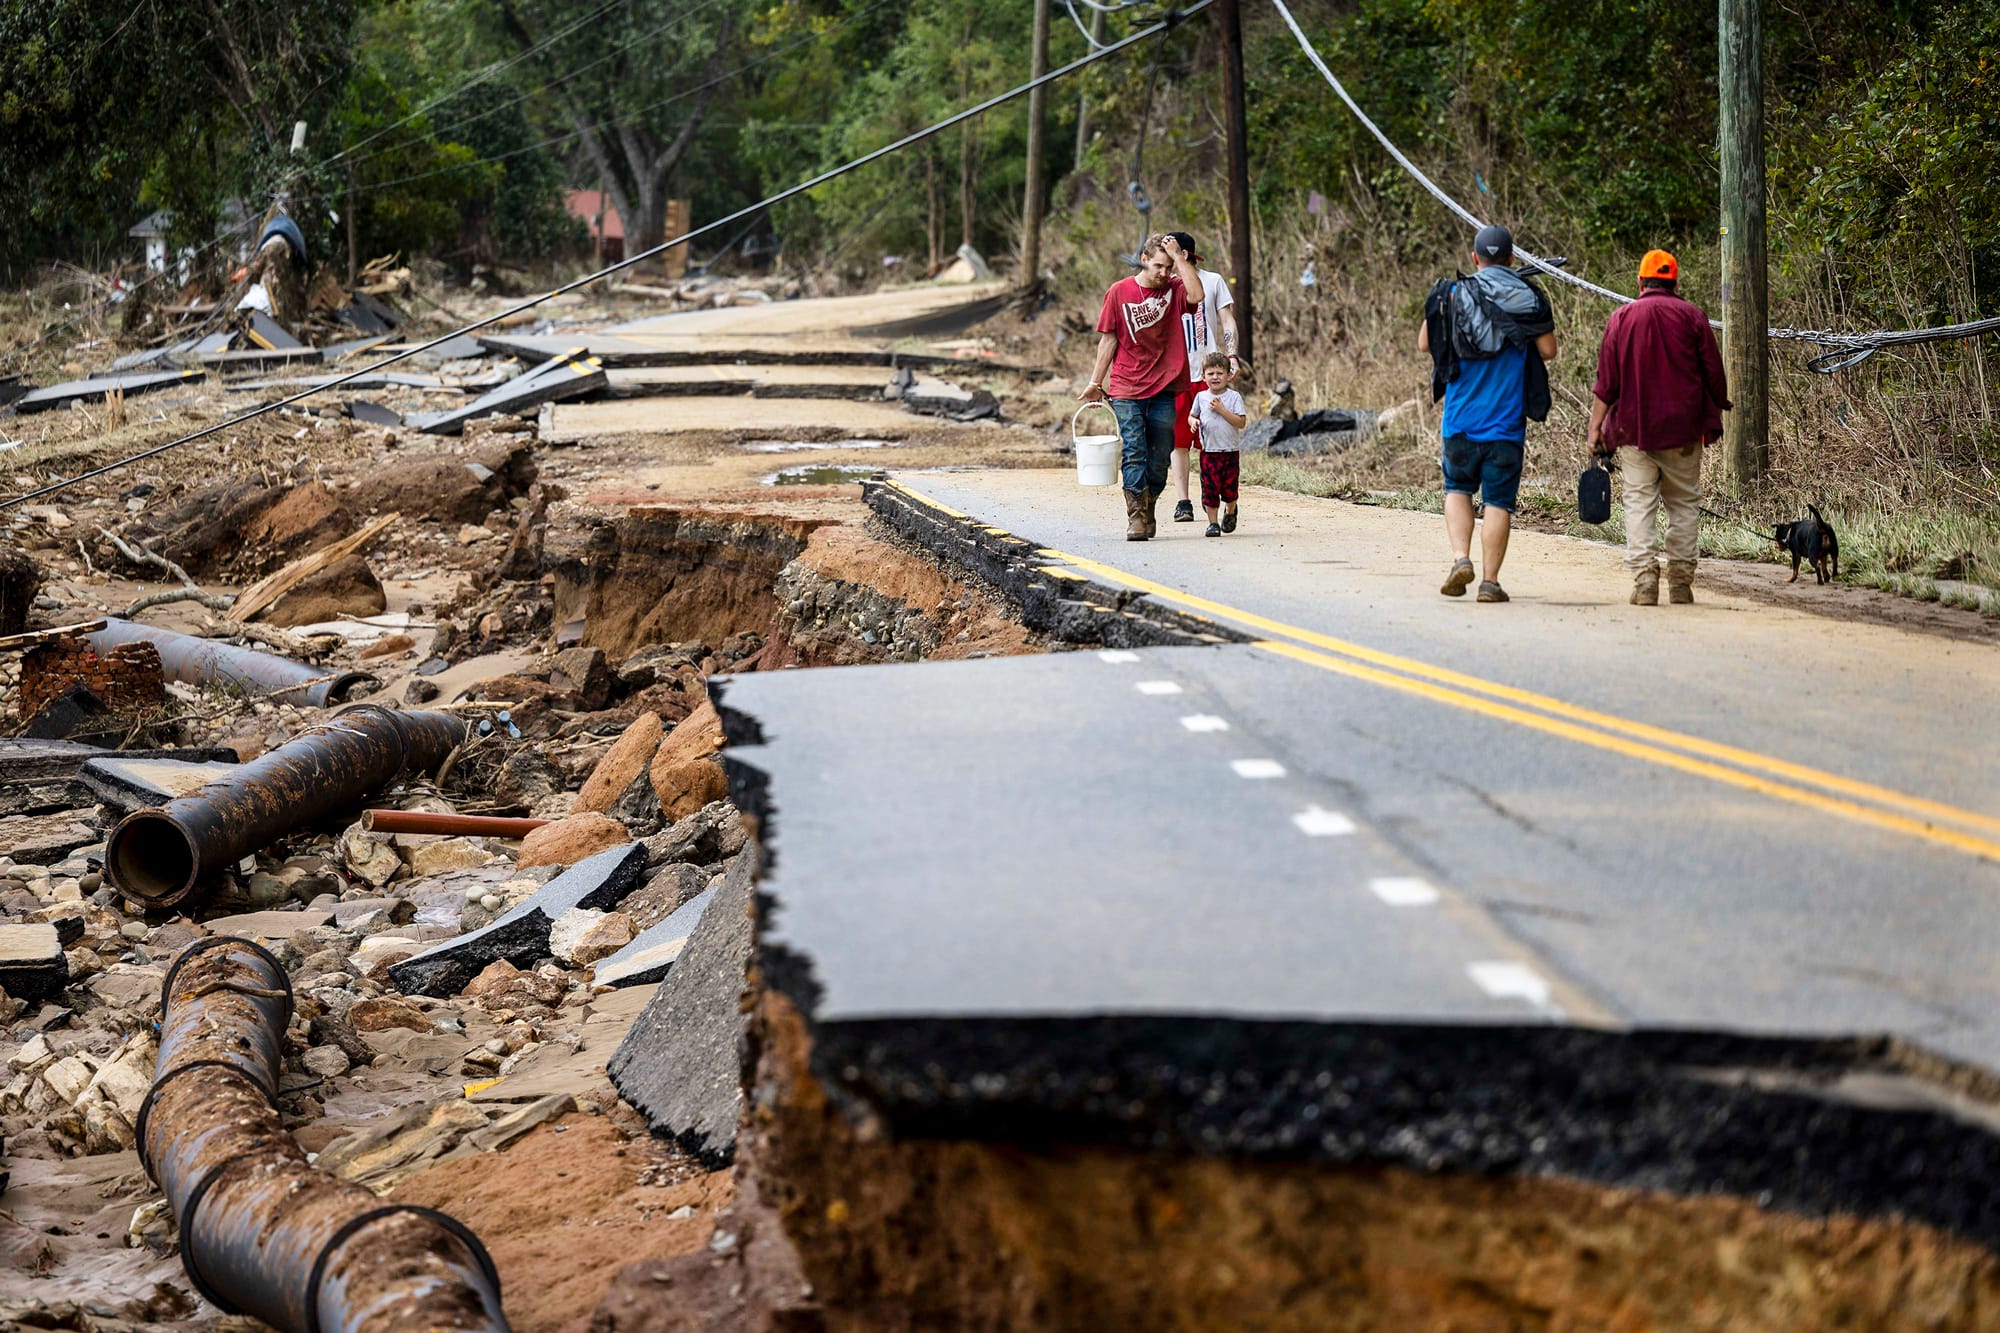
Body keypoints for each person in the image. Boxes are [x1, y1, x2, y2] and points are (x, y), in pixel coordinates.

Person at [1417, 224, 1558, 603]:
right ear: (1512, 259)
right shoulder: (1528, 295)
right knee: (1498, 502)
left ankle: (1461, 558)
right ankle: (1490, 582)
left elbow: (1424, 343)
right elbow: (1548, 350)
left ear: (1474, 258)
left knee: (1457, 489)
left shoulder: (1450, 295)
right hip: (1505, 426)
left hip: (1459, 421)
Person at [1586, 249, 1731, 605]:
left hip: (1635, 433)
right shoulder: (1694, 317)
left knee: (1638, 503)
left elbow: (1607, 384)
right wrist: (1719, 405)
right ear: (1674, 282)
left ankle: (1645, 580)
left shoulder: (1622, 318)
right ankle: (1681, 583)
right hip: (1684, 431)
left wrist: (1595, 429)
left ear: (1640, 282)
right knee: (1683, 504)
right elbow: (1714, 375)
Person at [1081, 233, 1205, 540]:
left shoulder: (1175, 288)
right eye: (1159, 266)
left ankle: (1149, 504)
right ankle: (1135, 516)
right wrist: (1096, 382)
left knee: (1160, 454)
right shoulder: (1119, 291)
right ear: (1144, 260)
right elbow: (1108, 340)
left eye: (1169, 268)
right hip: (1126, 386)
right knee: (1135, 450)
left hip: (1166, 386)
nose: (1164, 273)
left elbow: (1197, 295)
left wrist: (1179, 258)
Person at [1162, 231, 1241, 524]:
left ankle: (1218, 497)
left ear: (1184, 254)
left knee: (1212, 441)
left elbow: (1227, 319)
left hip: (1209, 373)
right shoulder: (1165, 285)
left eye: (1172, 254)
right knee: (1179, 441)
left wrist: (1231, 354)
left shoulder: (1212, 281)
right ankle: (1183, 501)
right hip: (1177, 374)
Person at [1187, 352, 1248, 536]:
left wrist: (1222, 410)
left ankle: (1230, 511)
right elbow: (1192, 415)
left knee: (1230, 490)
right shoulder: (1200, 397)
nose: (1215, 377)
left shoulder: (1233, 397)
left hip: (1230, 451)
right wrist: (1193, 423)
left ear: (1229, 375)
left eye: (1220, 373)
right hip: (1209, 452)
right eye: (1211, 373)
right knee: (1210, 489)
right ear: (1203, 376)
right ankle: (1212, 524)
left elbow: (1241, 422)